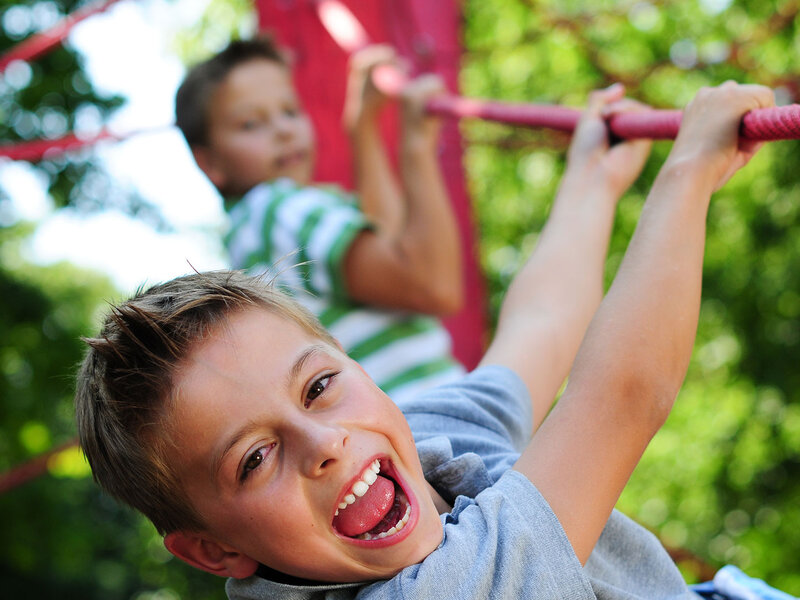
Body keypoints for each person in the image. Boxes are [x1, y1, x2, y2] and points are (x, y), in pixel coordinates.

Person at [75, 82, 789, 599]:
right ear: (212, 549)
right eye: (255, 459)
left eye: (319, 387)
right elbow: (620, 400)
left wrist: (591, 183)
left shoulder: (422, 443)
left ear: (353, 365)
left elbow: (538, 329)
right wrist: (689, 171)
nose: (323, 442)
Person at [174, 37, 466, 403]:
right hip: (431, 407)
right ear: (210, 162)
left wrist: (364, 129)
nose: (283, 129)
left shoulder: (254, 233)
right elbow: (433, 284)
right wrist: (417, 147)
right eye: (251, 123)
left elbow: (389, 244)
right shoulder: (277, 208)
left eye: (290, 111)